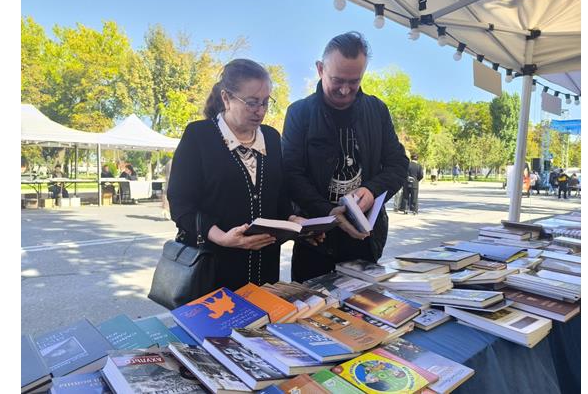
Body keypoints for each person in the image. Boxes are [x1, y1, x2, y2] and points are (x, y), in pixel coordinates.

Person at [168, 58, 312, 290]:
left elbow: (279, 197)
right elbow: (181, 204)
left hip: (264, 270)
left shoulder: (271, 138)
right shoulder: (199, 136)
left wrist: (294, 221)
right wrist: (221, 237)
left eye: (266, 102)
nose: (260, 111)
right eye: (252, 102)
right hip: (213, 270)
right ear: (226, 98)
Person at [281, 31, 409, 283]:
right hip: (315, 240)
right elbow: (291, 174)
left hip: (364, 240)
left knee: (364, 304)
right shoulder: (300, 113)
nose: (345, 90)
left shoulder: (377, 110)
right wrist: (330, 212)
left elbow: (398, 164)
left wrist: (372, 190)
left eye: (354, 81)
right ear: (320, 69)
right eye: (337, 80)